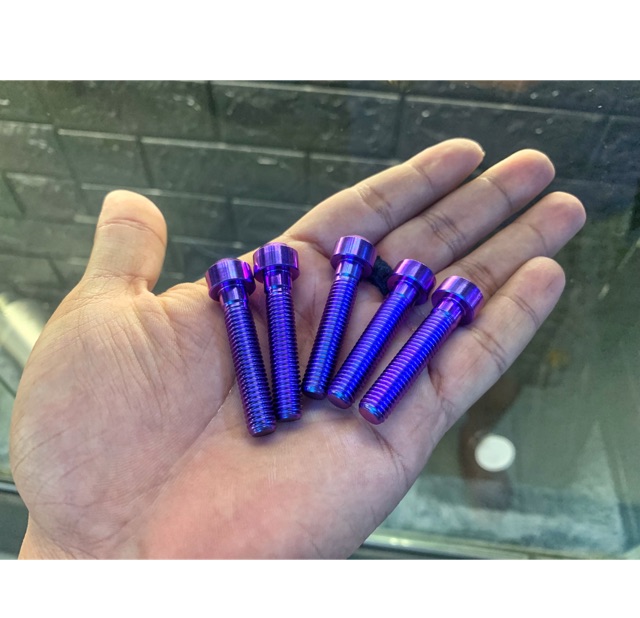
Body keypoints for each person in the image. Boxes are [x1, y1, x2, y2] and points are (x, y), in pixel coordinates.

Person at [8, 138, 586, 559]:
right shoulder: (258, 297)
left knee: (332, 378)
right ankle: (294, 396)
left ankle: (312, 391)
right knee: (302, 384)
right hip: (288, 399)